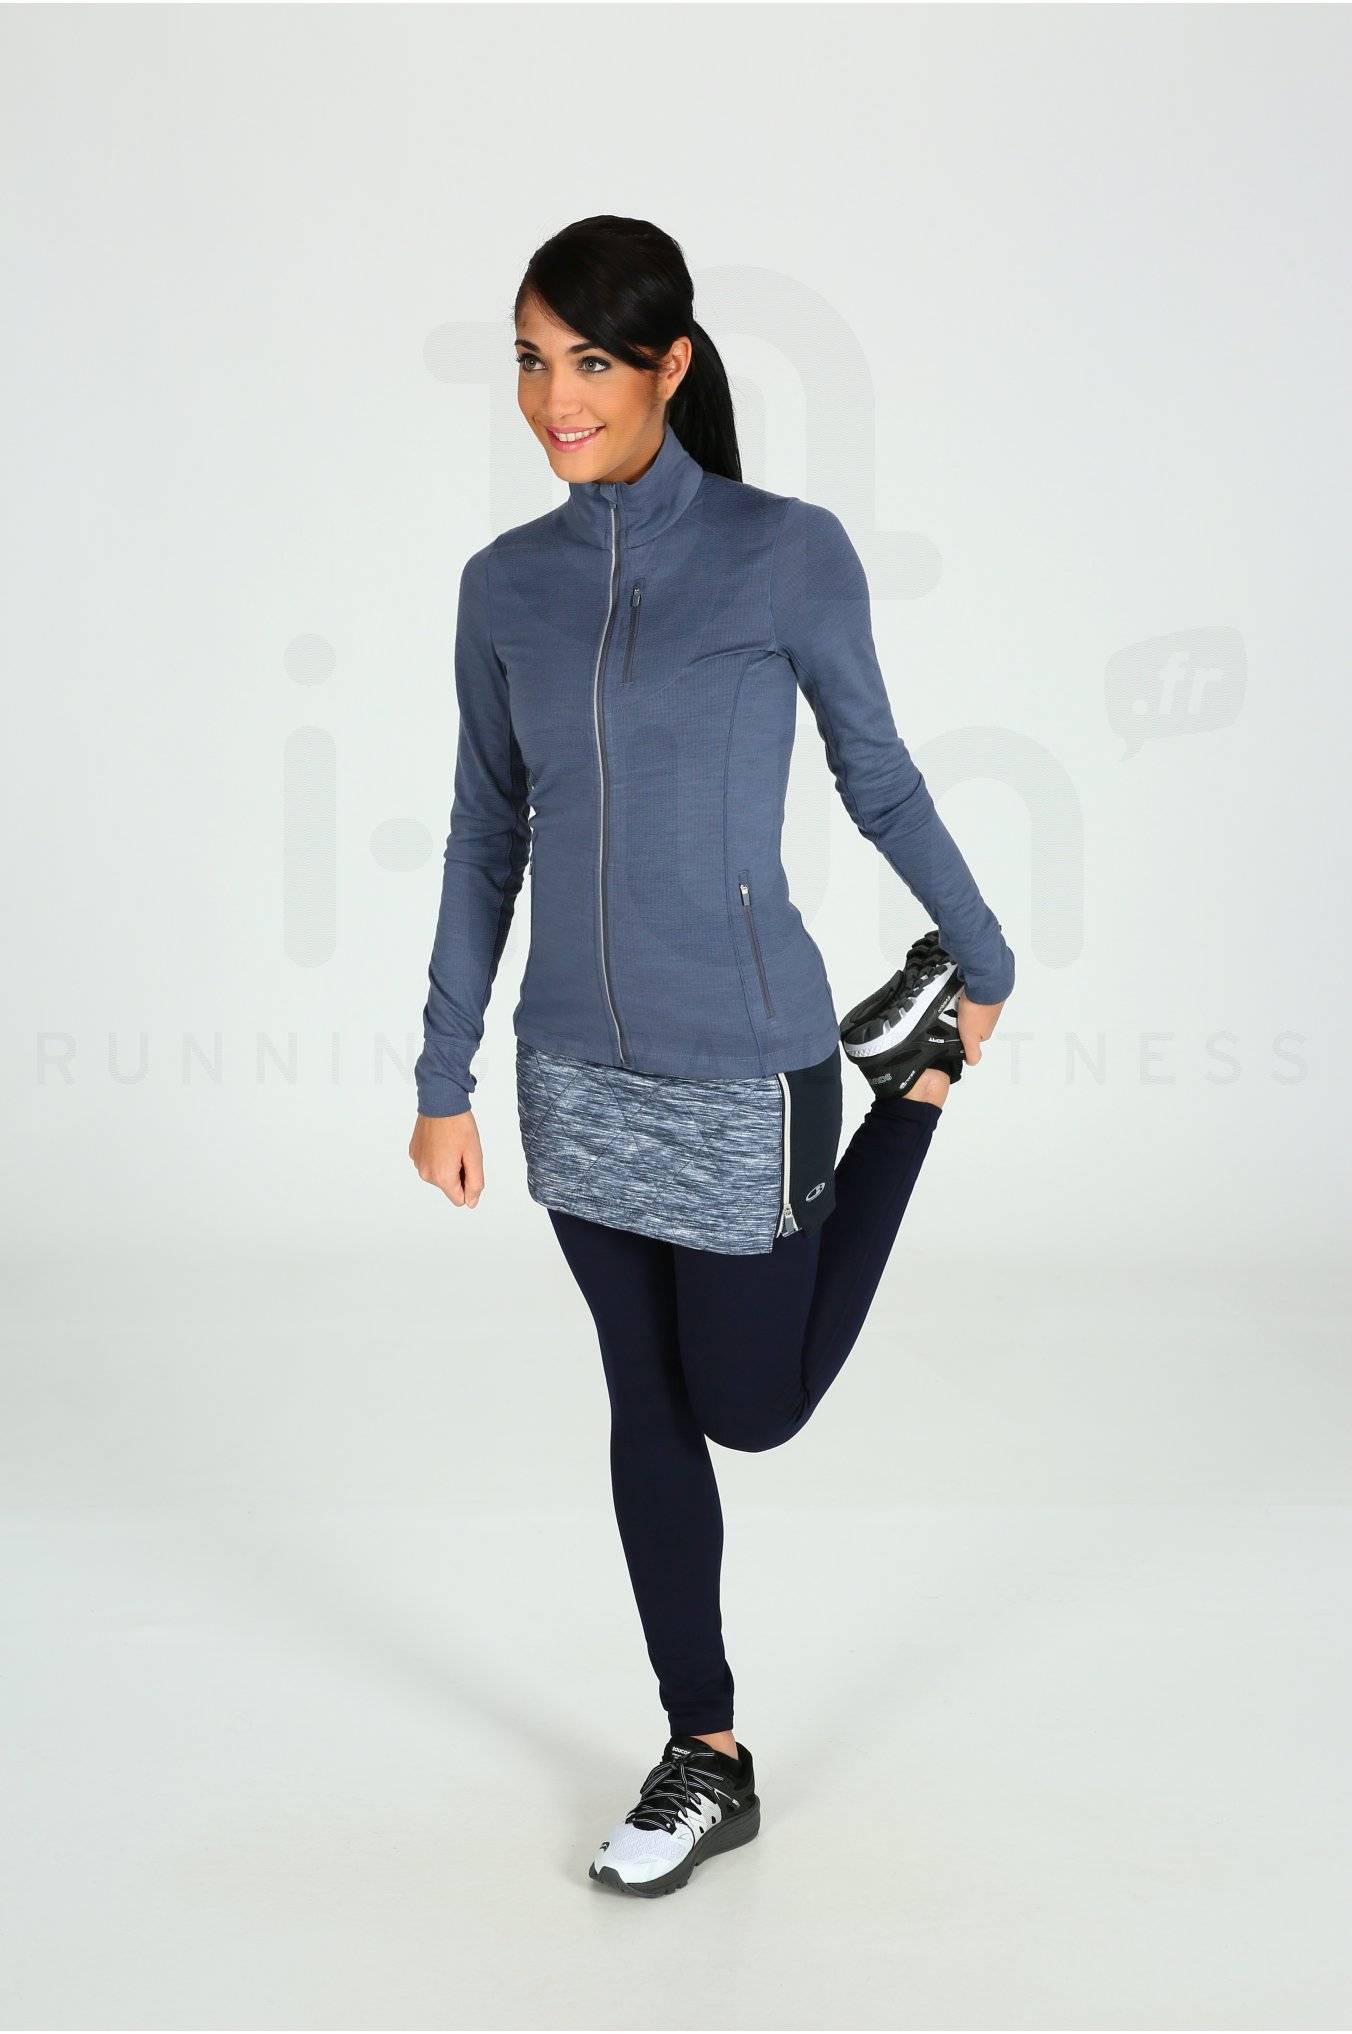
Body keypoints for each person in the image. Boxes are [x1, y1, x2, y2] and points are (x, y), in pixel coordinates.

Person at [409, 215, 1014, 1898]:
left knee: (754, 1407)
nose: (556, 396)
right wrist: (445, 1075)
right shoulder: (503, 587)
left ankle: (913, 1085)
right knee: (646, 1400)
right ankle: (706, 1748)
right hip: (571, 1070)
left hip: (749, 1061)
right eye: (533, 360)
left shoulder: (784, 553)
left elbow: (877, 773)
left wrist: (983, 955)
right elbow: (483, 835)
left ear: (671, 366)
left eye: (592, 360)